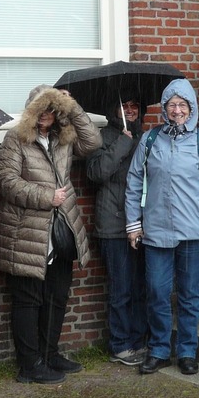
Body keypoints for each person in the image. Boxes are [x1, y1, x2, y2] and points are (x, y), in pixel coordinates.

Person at [0, 85, 101, 384]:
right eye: (41, 108)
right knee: (28, 300)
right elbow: (6, 182)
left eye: (52, 109)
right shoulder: (15, 139)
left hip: (61, 230)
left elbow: (93, 141)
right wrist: (46, 196)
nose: (46, 115)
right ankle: (29, 365)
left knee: (57, 296)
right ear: (31, 110)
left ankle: (49, 354)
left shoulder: (63, 138)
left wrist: (72, 105)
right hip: (27, 231)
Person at [125, 79, 199, 376]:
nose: (177, 110)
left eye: (183, 104)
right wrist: (133, 224)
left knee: (189, 294)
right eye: (171, 104)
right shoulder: (149, 141)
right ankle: (159, 350)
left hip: (194, 232)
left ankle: (186, 351)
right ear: (164, 108)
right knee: (157, 291)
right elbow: (134, 182)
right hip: (156, 230)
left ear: (192, 108)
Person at [86, 96, 149, 366]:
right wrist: (123, 142)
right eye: (125, 105)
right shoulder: (102, 138)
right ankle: (120, 345)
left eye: (135, 106)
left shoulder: (146, 137)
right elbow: (97, 172)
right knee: (121, 289)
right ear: (114, 109)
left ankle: (138, 340)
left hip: (143, 225)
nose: (130, 110)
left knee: (139, 288)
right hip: (114, 224)